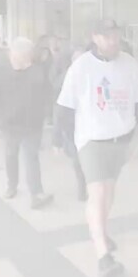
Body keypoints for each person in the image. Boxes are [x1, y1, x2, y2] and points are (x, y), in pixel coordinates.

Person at [56, 19, 138, 277]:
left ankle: (102, 231)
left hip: (121, 139)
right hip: (92, 140)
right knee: (97, 192)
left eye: (116, 36)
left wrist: (137, 130)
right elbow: (64, 107)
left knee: (109, 191)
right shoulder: (81, 67)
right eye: (108, 37)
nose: (113, 41)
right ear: (95, 37)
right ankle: (103, 256)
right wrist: (59, 140)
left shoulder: (129, 63)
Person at [0, 37, 54, 210]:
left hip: (33, 123)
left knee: (31, 156)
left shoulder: (37, 70)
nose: (27, 59)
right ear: (13, 54)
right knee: (11, 154)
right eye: (24, 56)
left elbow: (47, 92)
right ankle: (12, 185)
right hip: (9, 123)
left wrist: (46, 111)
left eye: (28, 56)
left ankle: (36, 193)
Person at [52, 46, 88, 202]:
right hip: (72, 126)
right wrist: (57, 139)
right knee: (78, 159)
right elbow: (59, 110)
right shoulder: (65, 79)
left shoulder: (93, 76)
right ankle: (82, 186)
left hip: (91, 125)